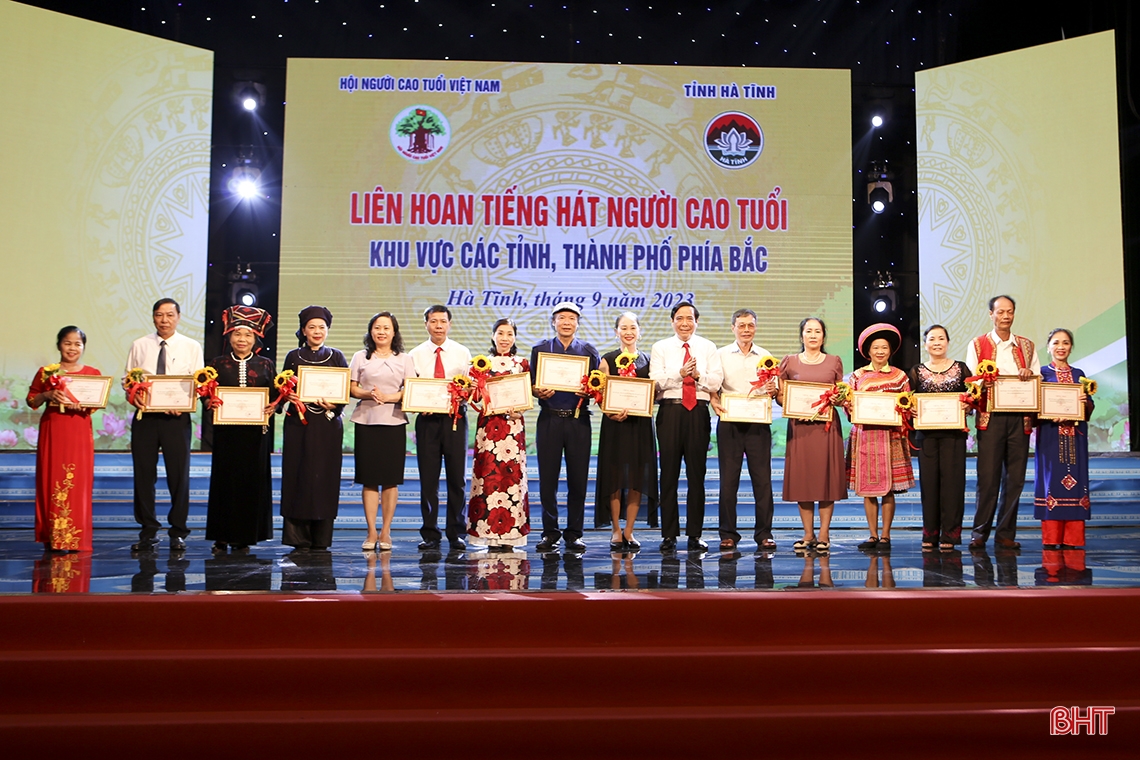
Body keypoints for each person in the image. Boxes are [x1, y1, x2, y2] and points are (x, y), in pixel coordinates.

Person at [124, 298, 204, 552]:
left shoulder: (191, 346)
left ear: (178, 317)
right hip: (145, 418)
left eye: (170, 315)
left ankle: (178, 531)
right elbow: (129, 381)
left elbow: (200, 384)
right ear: (153, 317)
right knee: (144, 475)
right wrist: (133, 394)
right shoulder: (139, 345)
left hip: (177, 419)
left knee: (178, 476)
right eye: (159, 315)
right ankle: (148, 530)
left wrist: (186, 401)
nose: (164, 320)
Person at [966, 295, 1040, 551]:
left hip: (1020, 419)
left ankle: (1005, 533)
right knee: (988, 478)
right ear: (991, 314)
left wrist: (1028, 374)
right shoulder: (978, 344)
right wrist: (982, 383)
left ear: (1014, 314)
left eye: (1009, 312)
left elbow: (1037, 381)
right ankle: (979, 533)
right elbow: (971, 382)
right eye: (1000, 312)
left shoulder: (1027, 346)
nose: (1005, 316)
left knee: (1015, 479)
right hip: (991, 418)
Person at [650, 301, 723, 553]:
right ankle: (669, 534)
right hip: (670, 410)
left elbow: (716, 381)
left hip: (698, 413)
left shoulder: (708, 347)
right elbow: (655, 380)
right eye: (679, 318)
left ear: (696, 321)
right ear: (672, 322)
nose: (684, 323)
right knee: (668, 475)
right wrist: (680, 373)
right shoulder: (660, 347)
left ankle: (695, 534)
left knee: (696, 476)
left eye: (689, 318)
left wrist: (698, 375)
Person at [204, 306, 277, 554]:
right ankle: (221, 536)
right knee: (224, 484)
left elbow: (275, 397)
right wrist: (209, 402)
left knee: (250, 485)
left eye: (247, 335)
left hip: (255, 436)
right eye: (237, 334)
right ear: (229, 336)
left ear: (256, 338)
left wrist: (271, 407)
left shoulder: (266, 365)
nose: (242, 340)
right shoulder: (217, 364)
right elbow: (207, 396)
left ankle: (244, 537)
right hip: (226, 435)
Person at [530, 301, 600, 554]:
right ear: (554, 322)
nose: (567, 322)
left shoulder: (588, 351)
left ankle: (574, 533)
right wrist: (537, 390)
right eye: (562, 318)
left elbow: (599, 386)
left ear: (578, 323)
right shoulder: (540, 350)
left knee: (578, 479)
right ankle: (550, 532)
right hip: (549, 418)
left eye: (572, 318)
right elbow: (530, 385)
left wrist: (591, 391)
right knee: (547, 479)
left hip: (578, 420)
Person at [279, 305, 348, 551]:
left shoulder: (337, 356)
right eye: (312, 327)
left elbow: (344, 393)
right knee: (298, 475)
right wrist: (288, 397)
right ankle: (298, 538)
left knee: (324, 477)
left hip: (327, 425)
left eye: (322, 327)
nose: (317, 332)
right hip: (299, 423)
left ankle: (321, 539)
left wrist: (335, 404)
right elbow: (283, 388)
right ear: (303, 331)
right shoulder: (293, 356)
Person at [26, 326, 101, 552]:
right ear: (59, 344)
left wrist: (85, 404)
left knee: (77, 481)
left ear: (83, 347)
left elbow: (94, 406)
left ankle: (74, 537)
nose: (72, 348)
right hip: (53, 429)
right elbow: (32, 401)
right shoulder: (47, 372)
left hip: (78, 430)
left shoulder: (93, 373)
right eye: (68, 343)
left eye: (77, 344)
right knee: (51, 479)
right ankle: (53, 537)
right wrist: (47, 394)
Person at [776, 317, 846, 555]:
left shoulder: (834, 361)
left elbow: (842, 394)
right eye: (809, 331)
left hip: (826, 428)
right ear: (802, 335)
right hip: (800, 428)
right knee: (803, 479)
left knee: (826, 478)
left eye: (818, 331)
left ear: (824, 336)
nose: (813, 335)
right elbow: (781, 396)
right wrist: (787, 401)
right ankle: (808, 533)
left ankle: (824, 533)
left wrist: (839, 399)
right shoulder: (789, 362)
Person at [349, 312, 416, 552]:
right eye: (377, 328)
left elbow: (411, 389)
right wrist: (369, 394)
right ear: (371, 331)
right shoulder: (360, 356)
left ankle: (386, 531)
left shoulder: (405, 359)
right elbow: (352, 388)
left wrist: (389, 397)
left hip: (394, 421)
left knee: (390, 481)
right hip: (366, 420)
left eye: (386, 328)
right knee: (368, 481)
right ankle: (371, 531)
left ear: (394, 332)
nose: (381, 332)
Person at [711, 308, 777, 552]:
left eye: (750, 325)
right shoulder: (720, 354)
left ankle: (764, 534)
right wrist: (712, 398)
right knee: (729, 481)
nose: (746, 330)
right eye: (741, 325)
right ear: (733, 328)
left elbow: (775, 390)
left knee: (763, 481)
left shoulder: (766, 355)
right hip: (729, 423)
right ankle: (728, 533)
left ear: (756, 327)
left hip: (758, 424)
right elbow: (712, 385)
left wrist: (773, 390)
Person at [846, 323, 914, 553]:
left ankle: (886, 535)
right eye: (876, 347)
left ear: (890, 350)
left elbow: (907, 405)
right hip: (865, 436)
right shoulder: (857, 376)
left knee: (889, 489)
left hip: (891, 437)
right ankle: (872, 534)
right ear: (868, 350)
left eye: (884, 347)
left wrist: (904, 411)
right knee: (868, 488)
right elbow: (850, 407)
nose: (880, 351)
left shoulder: (900, 376)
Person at [409, 305, 472, 553]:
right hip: (427, 422)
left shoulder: (462, 352)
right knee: (429, 480)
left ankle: (457, 532)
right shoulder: (414, 355)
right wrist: (416, 405)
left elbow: (470, 387)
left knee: (457, 479)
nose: (438, 326)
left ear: (449, 324)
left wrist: (464, 394)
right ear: (426, 324)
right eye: (433, 321)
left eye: (442, 321)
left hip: (456, 420)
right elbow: (410, 389)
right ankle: (430, 533)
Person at [594, 311, 658, 551]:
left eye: (633, 328)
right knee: (615, 477)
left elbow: (655, 392)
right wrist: (609, 411)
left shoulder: (649, 361)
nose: (628, 332)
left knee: (637, 479)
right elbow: (600, 393)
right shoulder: (607, 359)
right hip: (615, 426)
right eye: (623, 328)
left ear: (639, 331)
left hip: (640, 425)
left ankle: (630, 530)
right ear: (616, 332)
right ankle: (616, 530)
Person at [467, 318, 531, 550]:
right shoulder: (481, 363)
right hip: (488, 428)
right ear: (493, 335)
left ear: (515, 338)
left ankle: (511, 535)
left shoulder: (522, 364)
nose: (505, 338)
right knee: (488, 478)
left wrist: (518, 410)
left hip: (513, 429)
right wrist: (473, 390)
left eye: (509, 334)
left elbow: (526, 398)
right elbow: (473, 398)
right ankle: (488, 533)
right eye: (501, 333)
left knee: (511, 478)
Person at [908, 325, 971, 552]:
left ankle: (951, 534)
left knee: (953, 485)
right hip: (927, 436)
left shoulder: (962, 369)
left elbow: (973, 399)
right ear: (925, 344)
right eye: (932, 339)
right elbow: (907, 401)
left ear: (948, 342)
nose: (937, 342)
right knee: (930, 484)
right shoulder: (916, 371)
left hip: (954, 435)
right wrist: (911, 410)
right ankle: (931, 533)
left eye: (941, 338)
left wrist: (968, 405)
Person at [1035, 328, 1094, 550]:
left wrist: (1083, 401)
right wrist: (1047, 411)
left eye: (1066, 343)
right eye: (1056, 342)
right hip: (1050, 435)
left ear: (1071, 347)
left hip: (1076, 437)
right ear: (1048, 346)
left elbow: (1088, 408)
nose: (1061, 347)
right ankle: (1051, 538)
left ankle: (1073, 538)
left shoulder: (1080, 374)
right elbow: (1033, 407)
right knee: (1052, 482)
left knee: (1076, 483)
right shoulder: (1040, 374)